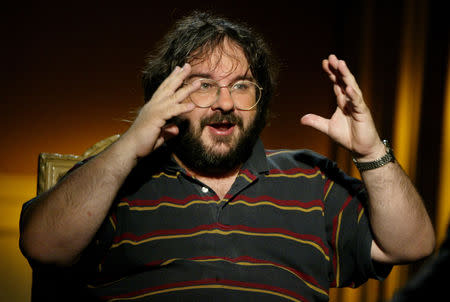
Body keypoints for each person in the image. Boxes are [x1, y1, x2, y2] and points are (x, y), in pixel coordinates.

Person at [19, 11, 435, 302]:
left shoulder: (311, 178)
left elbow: (412, 245)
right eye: (203, 84)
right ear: (167, 96)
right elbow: (42, 246)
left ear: (260, 99)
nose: (224, 102)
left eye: (241, 86)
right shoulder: (120, 178)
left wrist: (370, 151)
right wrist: (130, 144)